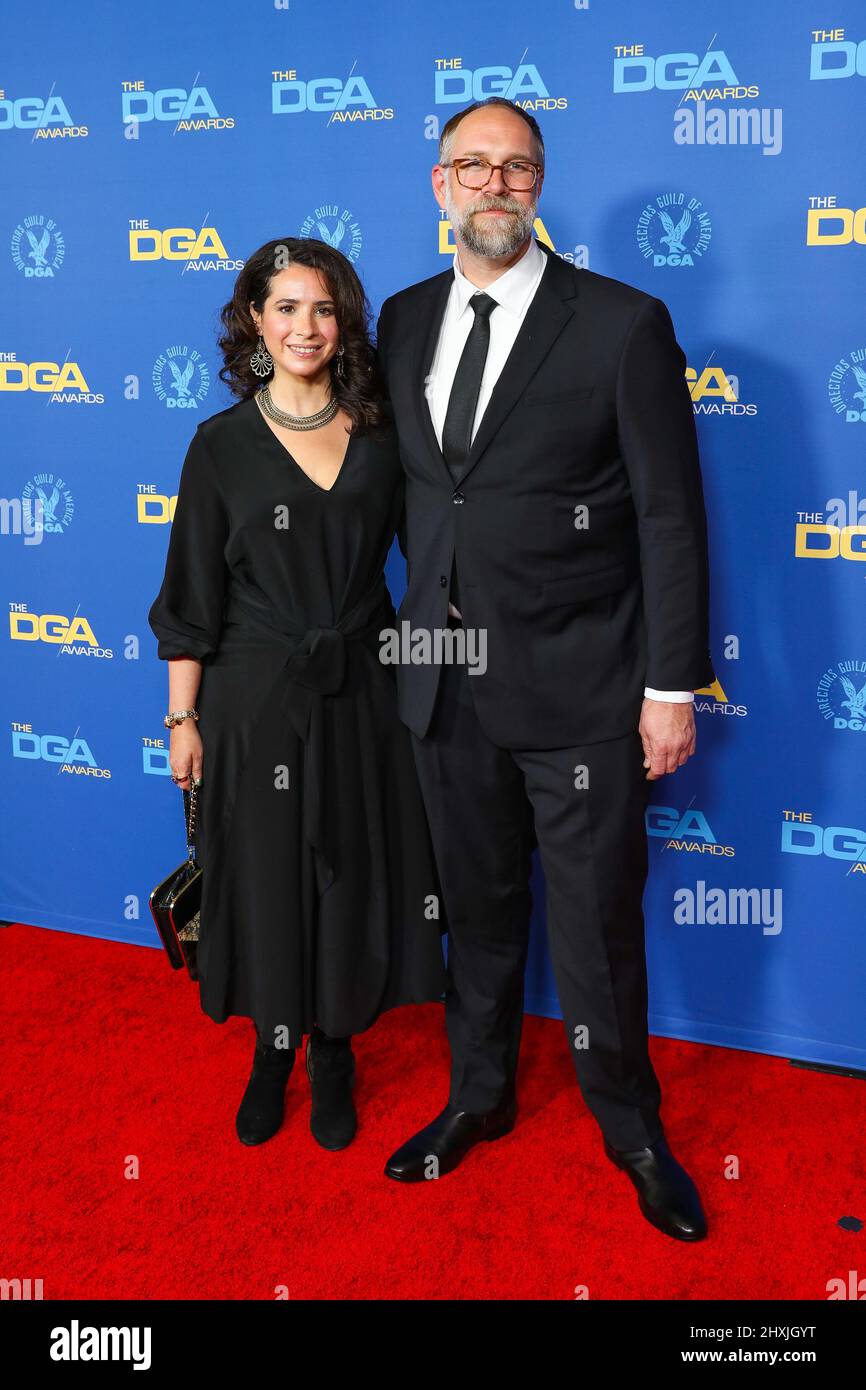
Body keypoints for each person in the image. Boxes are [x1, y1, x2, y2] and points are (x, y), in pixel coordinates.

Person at [375, 98, 715, 1241]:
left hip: (583, 684)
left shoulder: (620, 323)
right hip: (442, 674)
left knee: (593, 926)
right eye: (470, 166)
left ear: (538, 184)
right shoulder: (403, 317)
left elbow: (668, 517)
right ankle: (476, 1095)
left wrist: (670, 686)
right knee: (472, 913)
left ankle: (628, 1126)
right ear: (438, 186)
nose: (493, 186)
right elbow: (417, 496)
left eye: (514, 168)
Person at [148, 237, 447, 1153]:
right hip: (252, 694)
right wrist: (182, 717)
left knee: (348, 869)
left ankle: (333, 1051)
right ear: (253, 321)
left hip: (363, 683)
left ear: (344, 320)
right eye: (285, 308)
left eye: (322, 309)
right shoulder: (221, 445)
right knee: (269, 873)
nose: (305, 327)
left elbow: (437, 559)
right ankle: (271, 1054)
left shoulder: (386, 433)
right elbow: (191, 598)